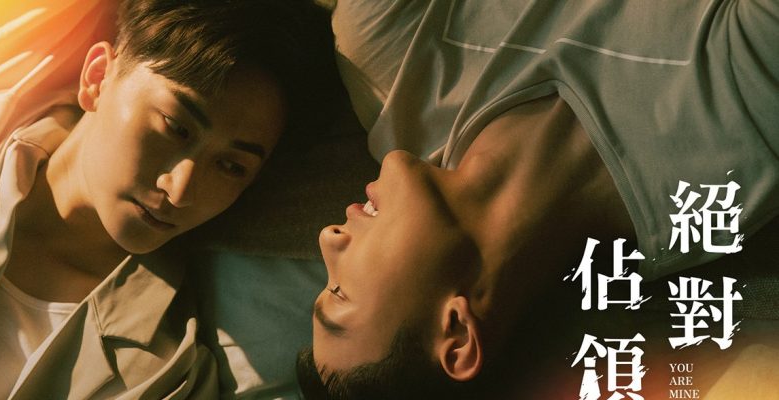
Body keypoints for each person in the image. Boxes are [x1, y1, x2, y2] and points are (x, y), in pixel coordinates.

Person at [297, 0, 779, 399]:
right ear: (457, 333)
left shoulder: (390, 64)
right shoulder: (726, 140)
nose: (327, 238)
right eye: (339, 293)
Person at [0, 0, 336, 398]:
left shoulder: (170, 376)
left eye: (231, 166)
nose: (180, 191)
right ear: (97, 77)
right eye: (176, 128)